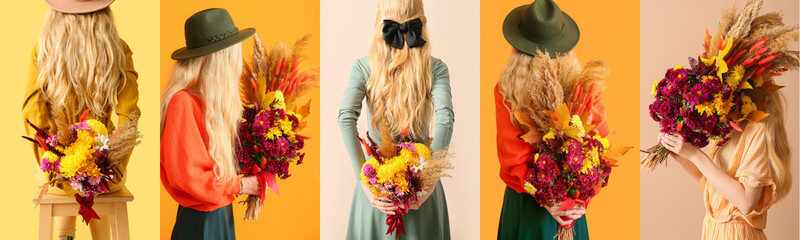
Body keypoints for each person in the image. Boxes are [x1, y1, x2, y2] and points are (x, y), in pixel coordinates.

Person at [338, 0, 454, 238]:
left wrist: (364, 182)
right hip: (420, 193)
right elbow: (446, 118)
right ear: (422, 24)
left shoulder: (363, 67)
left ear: (379, 23)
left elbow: (345, 117)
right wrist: (429, 181)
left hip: (378, 189)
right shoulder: (437, 68)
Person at [23, 0, 139, 239]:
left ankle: (65, 236)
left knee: (66, 177)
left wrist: (54, 166)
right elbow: (130, 115)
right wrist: (112, 168)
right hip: (107, 171)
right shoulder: (119, 49)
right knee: (96, 185)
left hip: (56, 171)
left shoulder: (43, 49)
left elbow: (31, 113)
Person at [160, 8, 261, 240]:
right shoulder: (182, 102)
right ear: (220, 58)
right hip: (201, 220)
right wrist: (240, 185)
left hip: (221, 213)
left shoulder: (212, 105)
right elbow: (188, 177)